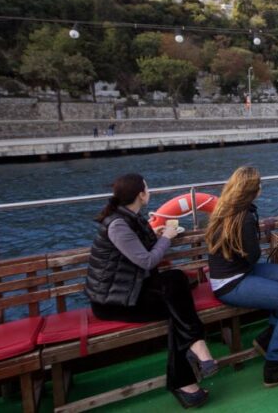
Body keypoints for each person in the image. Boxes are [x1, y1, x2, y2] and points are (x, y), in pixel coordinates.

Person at [86, 173, 217, 408]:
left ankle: (189, 376)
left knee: (176, 282)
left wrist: (156, 236)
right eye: (147, 188)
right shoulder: (118, 225)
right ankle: (195, 352)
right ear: (140, 195)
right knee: (177, 309)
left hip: (132, 291)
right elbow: (146, 261)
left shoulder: (131, 218)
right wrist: (166, 237)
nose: (150, 191)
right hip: (113, 303)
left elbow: (138, 252)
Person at [206, 166, 278, 387]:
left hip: (240, 272)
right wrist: (260, 234)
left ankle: (269, 338)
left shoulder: (227, 208)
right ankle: (275, 365)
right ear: (252, 190)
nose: (262, 187)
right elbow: (253, 256)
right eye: (259, 184)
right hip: (232, 283)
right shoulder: (245, 217)